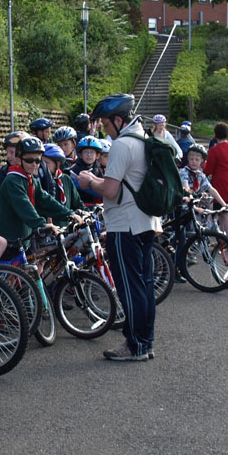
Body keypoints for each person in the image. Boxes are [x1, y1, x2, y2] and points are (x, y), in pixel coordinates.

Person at [76, 94, 159, 362]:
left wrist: (89, 181)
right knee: (144, 285)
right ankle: (145, 342)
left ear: (119, 119)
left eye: (106, 124)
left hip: (125, 226)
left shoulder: (123, 145)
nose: (105, 130)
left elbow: (110, 189)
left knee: (130, 287)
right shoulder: (143, 139)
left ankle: (134, 345)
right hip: (146, 222)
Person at [0, 136, 72, 262]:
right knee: (8, 278)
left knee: (31, 271)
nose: (35, 164)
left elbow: (45, 200)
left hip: (24, 238)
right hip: (9, 238)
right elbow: (24, 205)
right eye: (29, 160)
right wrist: (42, 224)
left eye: (38, 161)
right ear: (18, 160)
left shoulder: (30, 179)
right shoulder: (13, 180)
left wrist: (69, 214)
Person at [202, 122, 228, 236]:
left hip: (222, 183)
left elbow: (208, 170)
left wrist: (203, 164)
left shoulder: (214, 150)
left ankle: (226, 241)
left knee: (223, 213)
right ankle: (227, 240)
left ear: (215, 135)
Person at [0, 132, 25, 204]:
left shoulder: (36, 169)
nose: (8, 156)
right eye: (7, 152)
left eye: (11, 152)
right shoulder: (3, 172)